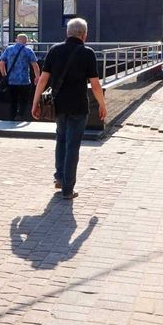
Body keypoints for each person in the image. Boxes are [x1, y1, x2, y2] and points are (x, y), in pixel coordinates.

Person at [31, 18, 107, 200]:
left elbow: (42, 79)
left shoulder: (55, 50)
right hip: (79, 105)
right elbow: (95, 85)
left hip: (58, 104)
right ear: (84, 35)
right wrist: (102, 105)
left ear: (68, 33)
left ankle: (59, 177)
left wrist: (35, 102)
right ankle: (68, 189)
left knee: (61, 139)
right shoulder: (87, 53)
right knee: (73, 146)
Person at [0, 34, 40, 120]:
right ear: (26, 41)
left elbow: (1, 64)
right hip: (24, 80)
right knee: (24, 100)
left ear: (16, 40)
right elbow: (35, 65)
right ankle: (20, 115)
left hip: (11, 81)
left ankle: (12, 117)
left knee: (13, 101)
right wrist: (37, 77)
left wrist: (4, 76)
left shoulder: (9, 49)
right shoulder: (28, 50)